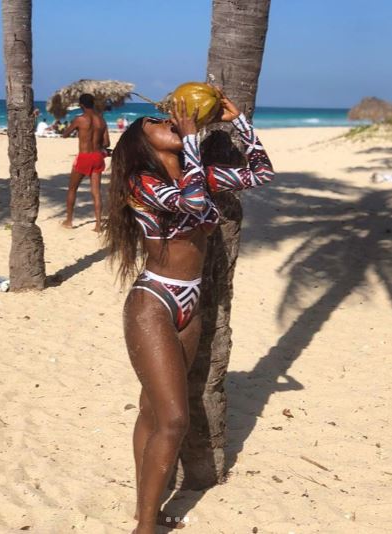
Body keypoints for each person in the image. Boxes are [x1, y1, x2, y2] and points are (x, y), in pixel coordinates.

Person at [103, 93, 274, 534]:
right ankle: (145, 529)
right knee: (175, 419)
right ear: (141, 142)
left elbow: (262, 172)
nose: (169, 122)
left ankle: (145, 509)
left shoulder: (198, 174)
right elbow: (194, 204)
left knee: (152, 411)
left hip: (190, 303)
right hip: (154, 302)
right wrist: (194, 140)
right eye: (157, 123)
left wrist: (239, 123)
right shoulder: (140, 182)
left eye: (169, 120)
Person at [61, 94, 110, 232]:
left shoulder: (80, 119)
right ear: (93, 104)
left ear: (81, 104)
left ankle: (69, 221)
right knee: (96, 192)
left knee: (72, 189)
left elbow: (65, 134)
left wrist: (77, 129)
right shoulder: (101, 120)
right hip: (97, 157)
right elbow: (107, 143)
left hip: (84, 157)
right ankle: (98, 225)